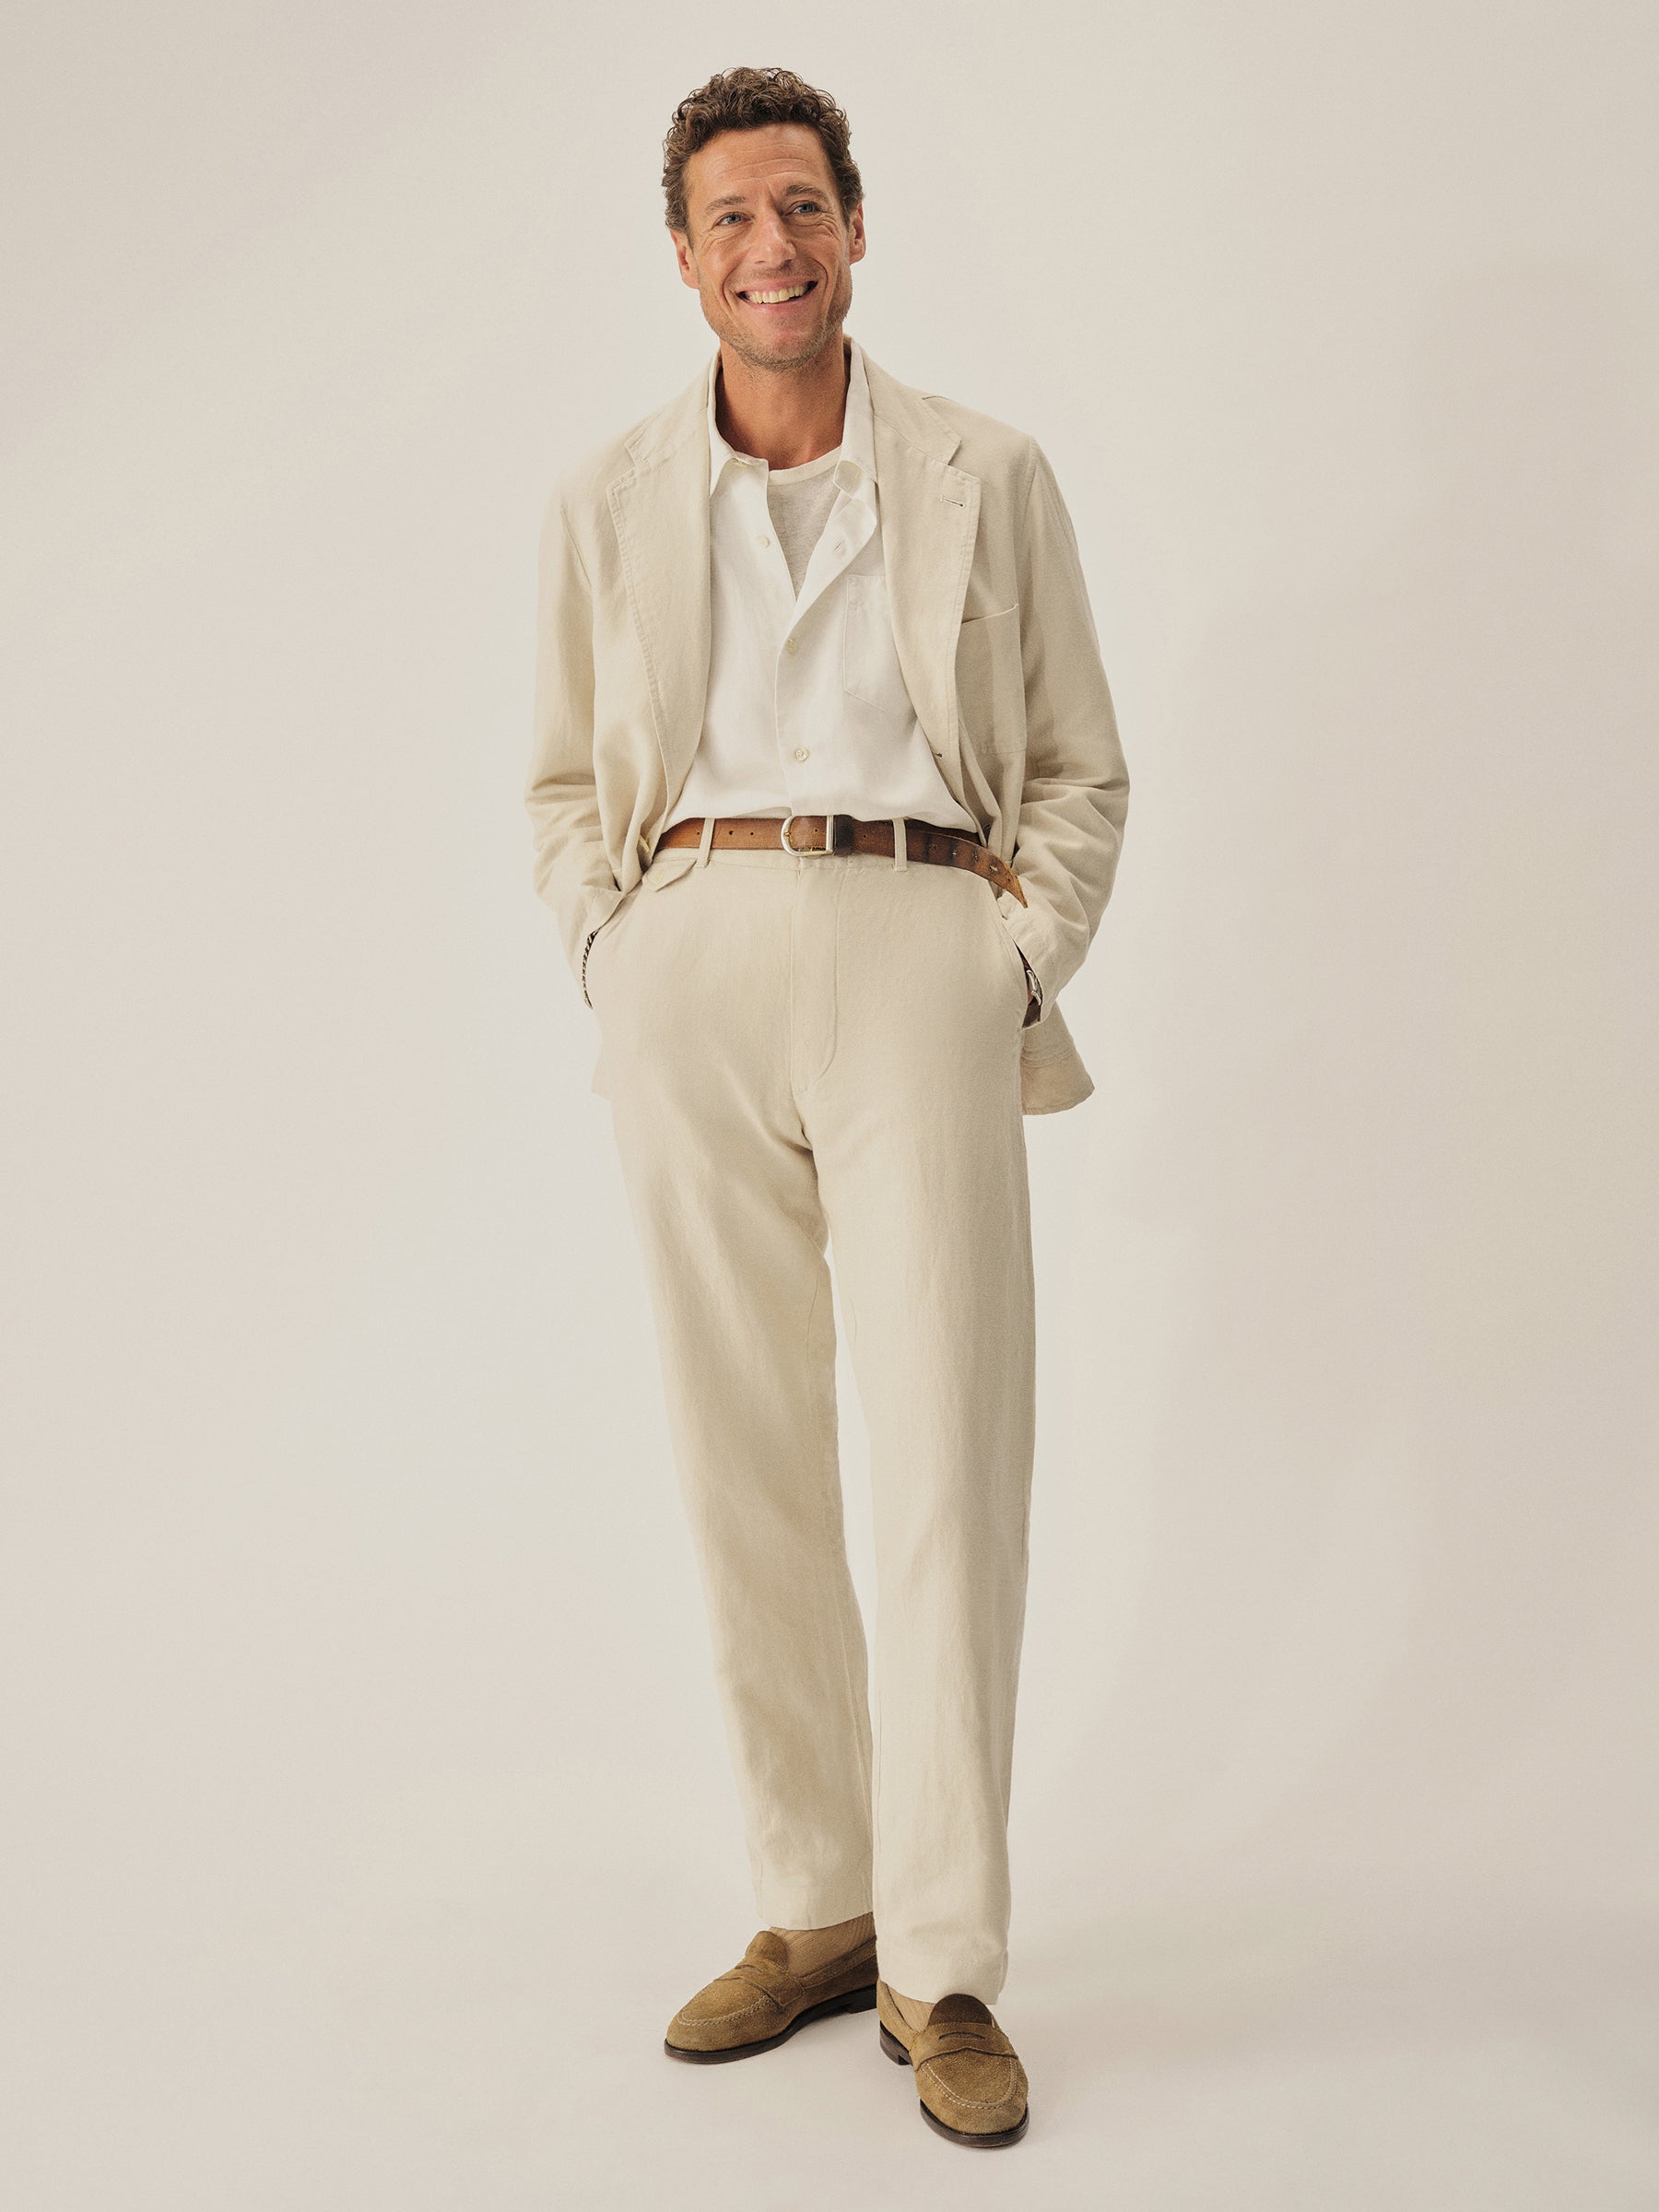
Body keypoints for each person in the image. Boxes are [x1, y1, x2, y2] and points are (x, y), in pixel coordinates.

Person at [525, 65, 1128, 2149]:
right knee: (741, 1453)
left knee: (947, 1451)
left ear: (855, 230)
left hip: (917, 938)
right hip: (691, 946)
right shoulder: (607, 500)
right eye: (731, 218)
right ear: (683, 258)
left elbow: (1080, 764)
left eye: (802, 206)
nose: (770, 247)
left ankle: (942, 1964)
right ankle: (817, 1901)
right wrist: (613, 950)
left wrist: (1010, 960)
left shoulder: (988, 471)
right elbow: (557, 779)